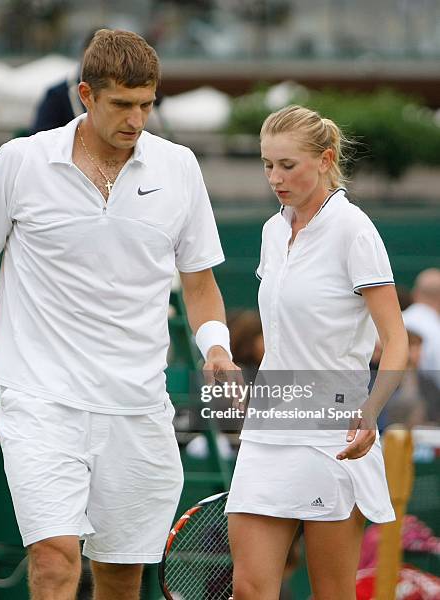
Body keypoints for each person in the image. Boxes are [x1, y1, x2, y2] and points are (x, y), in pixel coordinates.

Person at [0, 29, 237, 600]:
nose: (136, 119)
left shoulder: (180, 168)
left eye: (146, 104)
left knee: (118, 578)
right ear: (86, 93)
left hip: (136, 406)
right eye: (122, 105)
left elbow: (200, 282)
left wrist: (217, 347)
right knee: (56, 561)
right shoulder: (20, 161)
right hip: (40, 400)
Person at [226, 105, 408, 600]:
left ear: (325, 159)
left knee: (330, 593)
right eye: (267, 165)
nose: (274, 177)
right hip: (269, 425)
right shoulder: (270, 231)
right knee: (248, 588)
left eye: (287, 165)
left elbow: (395, 341)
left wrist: (370, 410)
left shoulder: (355, 230)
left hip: (333, 429)